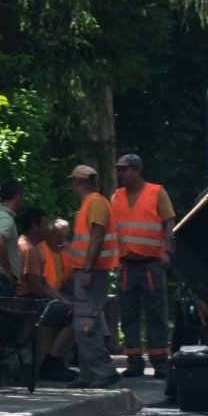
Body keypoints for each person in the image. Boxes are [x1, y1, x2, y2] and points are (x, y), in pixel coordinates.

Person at [110, 153, 176, 379]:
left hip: (150, 263)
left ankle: (160, 362)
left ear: (137, 170)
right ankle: (134, 361)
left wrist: (167, 251)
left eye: (124, 169)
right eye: (119, 170)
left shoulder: (156, 192)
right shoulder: (116, 196)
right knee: (128, 314)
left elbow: (169, 222)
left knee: (156, 312)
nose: (120, 174)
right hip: (126, 264)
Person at [63, 165, 120, 388]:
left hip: (91, 273)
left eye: (73, 183)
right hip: (89, 271)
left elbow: (96, 238)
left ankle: (104, 372)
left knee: (86, 324)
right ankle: (87, 375)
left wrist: (86, 270)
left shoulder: (94, 202)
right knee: (85, 323)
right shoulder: (92, 203)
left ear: (78, 183)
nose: (72, 188)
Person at [17, 209, 76, 383]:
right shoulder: (28, 249)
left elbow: (43, 283)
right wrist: (59, 303)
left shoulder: (31, 247)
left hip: (33, 298)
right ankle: (52, 363)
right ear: (34, 226)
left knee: (71, 310)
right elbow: (35, 286)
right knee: (75, 316)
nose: (46, 229)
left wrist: (62, 301)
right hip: (27, 302)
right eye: (44, 225)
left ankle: (56, 362)